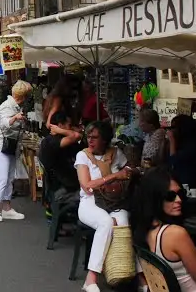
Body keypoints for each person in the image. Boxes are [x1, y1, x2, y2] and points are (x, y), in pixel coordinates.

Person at [134, 167, 196, 292]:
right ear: (155, 198)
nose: (178, 200)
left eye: (180, 194)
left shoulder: (144, 231)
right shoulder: (175, 234)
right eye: (170, 196)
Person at [75, 119, 135, 292]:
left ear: (105, 139)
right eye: (88, 137)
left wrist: (131, 172)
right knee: (106, 223)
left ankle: (127, 273)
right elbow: (87, 186)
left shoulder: (116, 154)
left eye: (95, 137)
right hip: (90, 203)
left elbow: (129, 170)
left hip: (113, 201)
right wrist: (114, 177)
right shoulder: (83, 155)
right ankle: (91, 277)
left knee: (123, 223)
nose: (90, 141)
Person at [0, 79, 31, 222]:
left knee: (10, 177)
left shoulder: (16, 106)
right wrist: (15, 118)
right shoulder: (7, 106)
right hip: (0, 145)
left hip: (10, 146)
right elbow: (4, 124)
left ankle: (6, 208)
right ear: (22, 95)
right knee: (2, 177)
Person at [39, 110, 82, 211]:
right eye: (69, 125)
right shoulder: (51, 141)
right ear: (59, 125)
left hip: (67, 184)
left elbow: (79, 137)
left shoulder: (65, 141)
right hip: (62, 189)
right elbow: (76, 136)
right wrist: (60, 130)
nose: (71, 128)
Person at [168, 114, 196, 188]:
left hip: (190, 183)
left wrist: (172, 141)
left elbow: (174, 162)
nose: (170, 130)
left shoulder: (192, 145)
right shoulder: (181, 143)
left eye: (173, 127)